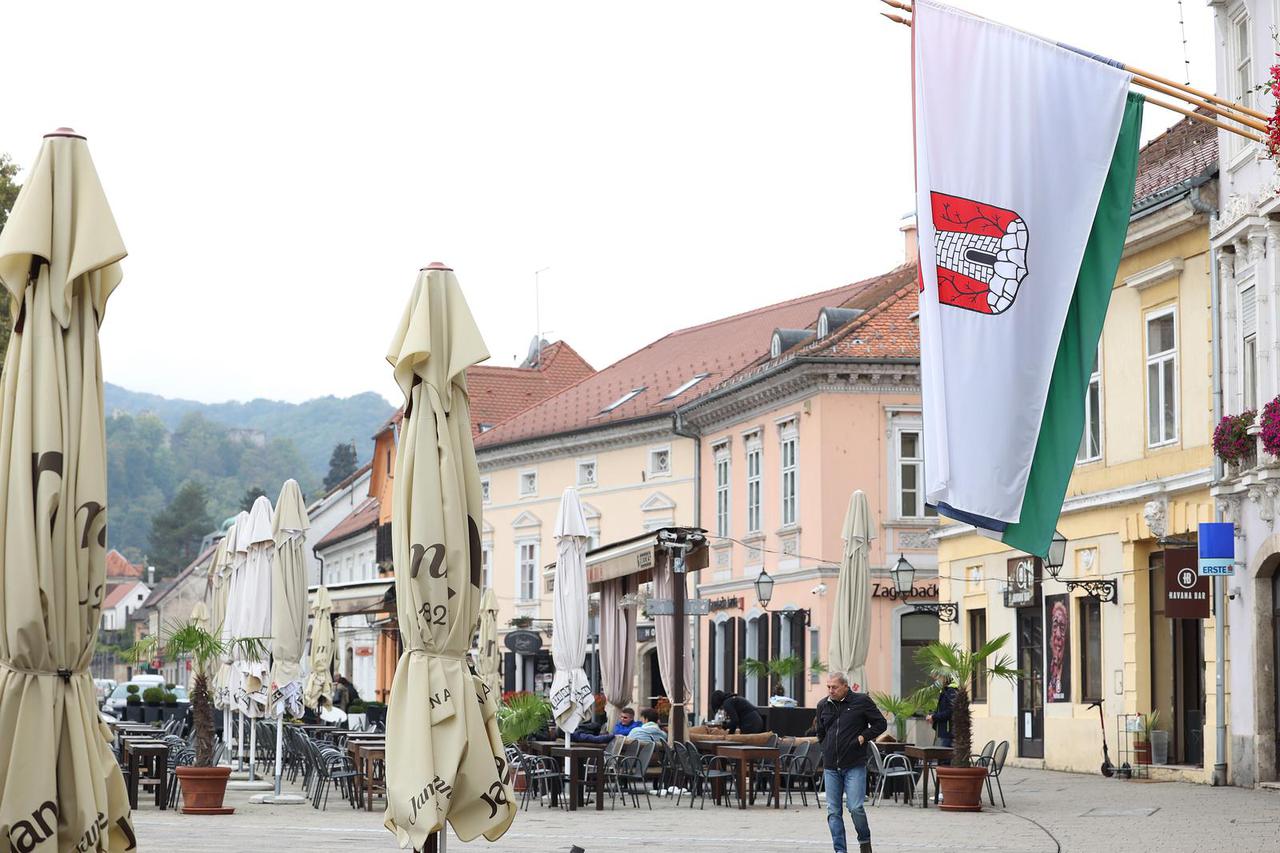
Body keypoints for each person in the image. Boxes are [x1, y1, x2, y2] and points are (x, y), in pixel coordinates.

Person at [815, 672, 886, 853]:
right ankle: (840, 850)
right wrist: (826, 748)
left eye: (834, 687)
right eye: (828, 687)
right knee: (833, 812)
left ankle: (864, 841)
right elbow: (820, 732)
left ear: (845, 686)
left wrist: (863, 737)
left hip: (854, 765)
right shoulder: (823, 705)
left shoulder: (861, 701)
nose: (831, 690)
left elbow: (880, 724)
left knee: (855, 808)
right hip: (831, 767)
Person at [926, 675, 958, 747]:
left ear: (945, 678)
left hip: (948, 733)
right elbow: (942, 709)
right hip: (943, 732)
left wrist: (934, 717)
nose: (936, 681)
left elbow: (951, 711)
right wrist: (932, 716)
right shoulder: (944, 691)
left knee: (944, 753)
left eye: (938, 678)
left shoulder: (951, 691)